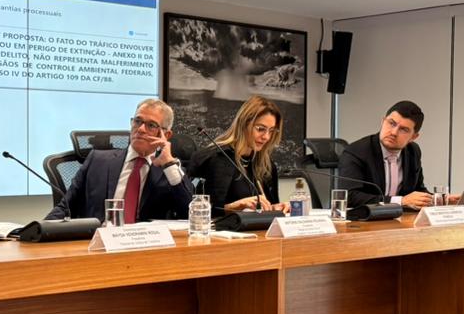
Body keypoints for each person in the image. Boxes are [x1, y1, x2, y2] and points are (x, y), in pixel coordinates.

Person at [46, 97, 192, 222]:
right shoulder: (97, 161)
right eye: (137, 121)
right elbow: (65, 208)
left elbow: (189, 215)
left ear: (166, 135)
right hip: (97, 244)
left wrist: (169, 163)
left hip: (145, 248)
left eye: (151, 125)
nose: (140, 129)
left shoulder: (170, 172)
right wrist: (36, 233)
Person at [337, 100, 456, 210]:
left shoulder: (413, 151)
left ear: (413, 137)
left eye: (403, 129)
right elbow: (350, 197)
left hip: (398, 220)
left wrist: (438, 199)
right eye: (391, 123)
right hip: (365, 221)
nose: (393, 132)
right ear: (383, 121)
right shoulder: (356, 152)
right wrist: (401, 201)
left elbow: (417, 190)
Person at [198, 95, 291, 213]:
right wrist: (235, 206)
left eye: (271, 131)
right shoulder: (217, 158)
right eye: (260, 129)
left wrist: (276, 208)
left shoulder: (266, 165)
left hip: (257, 229)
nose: (266, 137)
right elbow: (199, 210)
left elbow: (266, 210)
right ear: (244, 124)